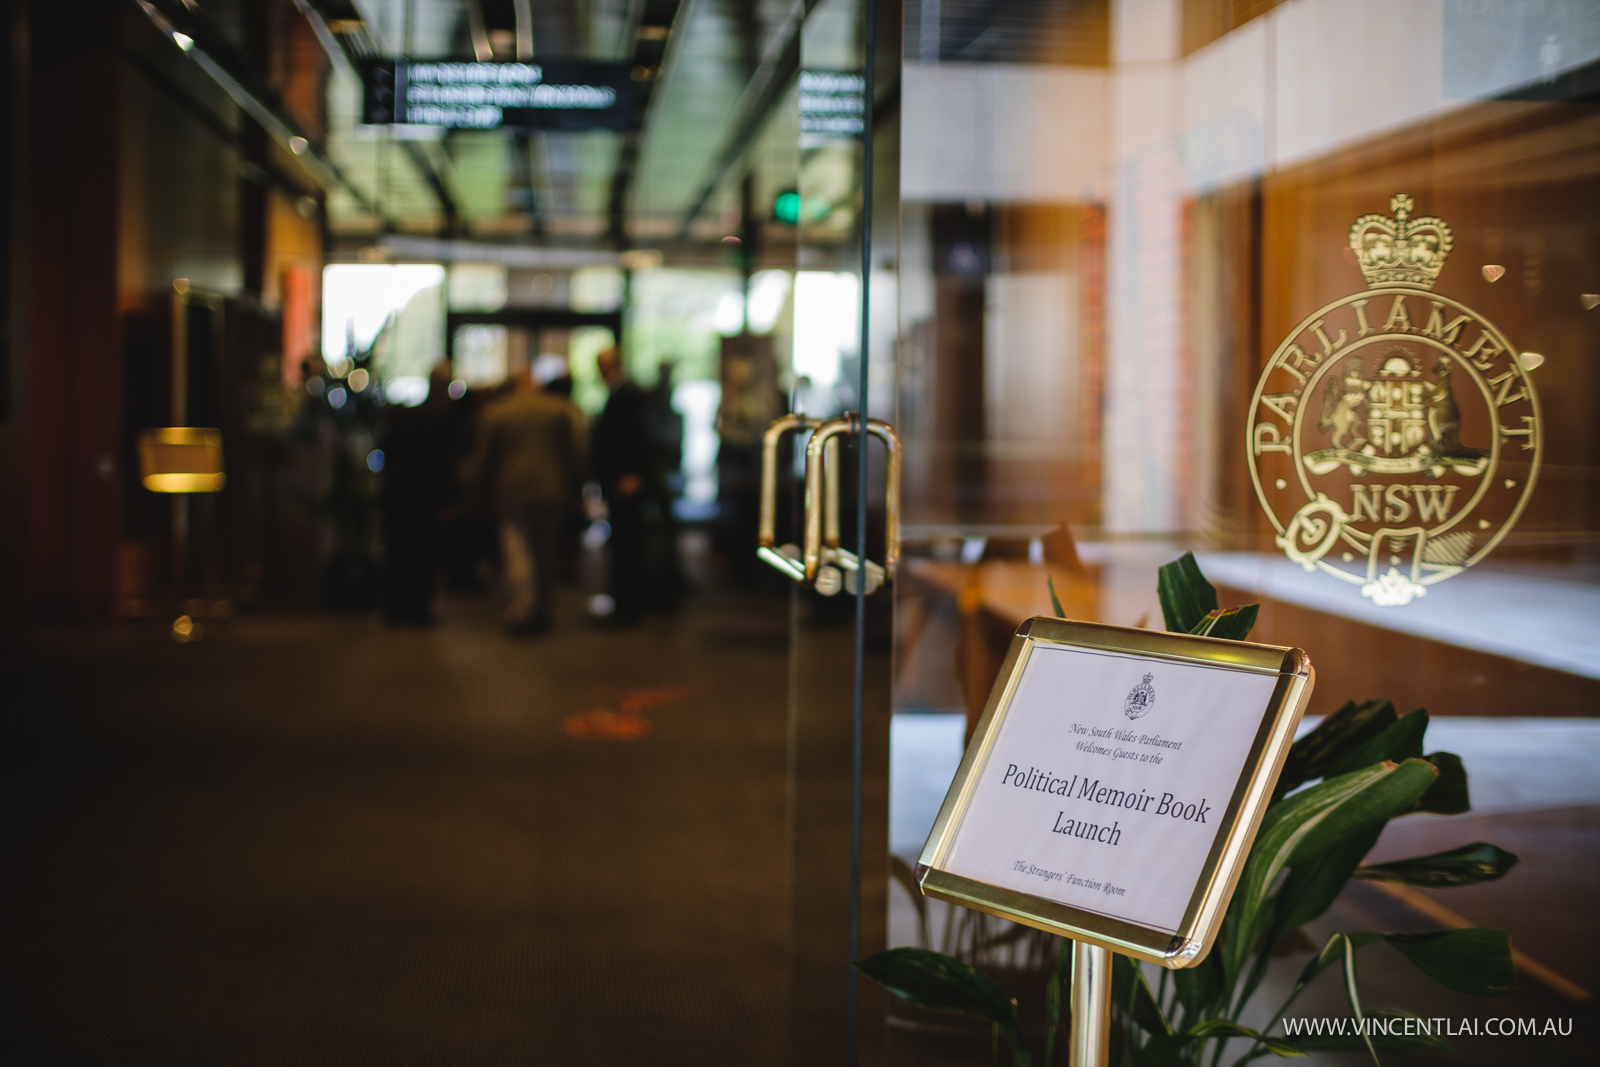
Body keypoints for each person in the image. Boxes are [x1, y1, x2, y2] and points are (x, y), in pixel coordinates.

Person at [464, 363, 586, 634]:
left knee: (518, 550)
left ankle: (524, 608)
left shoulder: (497, 413)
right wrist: (579, 487)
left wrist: (477, 496)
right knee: (544, 550)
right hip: (554, 489)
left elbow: (484, 459)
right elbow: (574, 452)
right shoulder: (558, 409)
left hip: (513, 490)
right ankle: (543, 605)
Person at [379, 362, 463, 625]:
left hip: (398, 498)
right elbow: (444, 467)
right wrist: (447, 501)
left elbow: (387, 457)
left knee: (399, 556)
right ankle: (418, 611)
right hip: (426, 501)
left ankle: (395, 610)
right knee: (424, 558)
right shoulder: (442, 421)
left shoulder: (403, 417)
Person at [591, 347, 649, 624]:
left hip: (625, 481)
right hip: (619, 479)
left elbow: (635, 437)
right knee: (623, 543)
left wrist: (632, 474)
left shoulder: (628, 393)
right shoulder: (622, 391)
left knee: (627, 544)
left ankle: (627, 608)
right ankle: (624, 604)